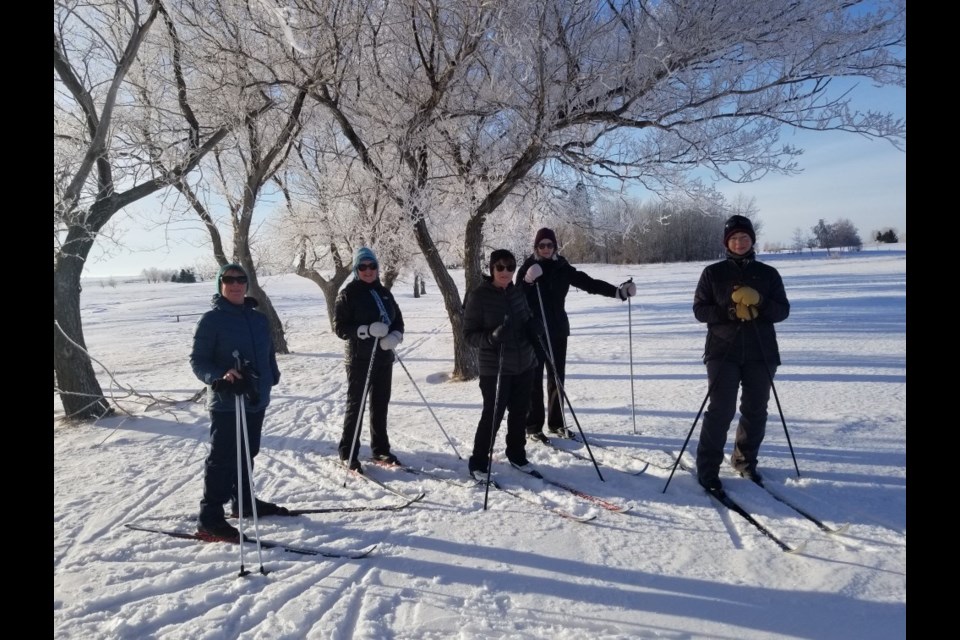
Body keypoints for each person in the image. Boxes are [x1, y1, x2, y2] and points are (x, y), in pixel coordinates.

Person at [692, 215, 790, 495]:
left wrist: (759, 302)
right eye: (734, 238)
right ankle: (708, 468)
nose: (739, 242)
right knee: (721, 410)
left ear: (751, 240)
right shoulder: (713, 273)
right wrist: (730, 312)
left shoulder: (768, 274)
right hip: (723, 351)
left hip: (761, 351)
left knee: (755, 410)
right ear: (727, 242)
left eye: (744, 237)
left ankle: (745, 461)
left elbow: (783, 310)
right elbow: (700, 310)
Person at [190, 263, 286, 541]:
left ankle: (243, 502)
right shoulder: (211, 320)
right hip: (227, 401)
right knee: (222, 458)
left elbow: (268, 352)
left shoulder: (258, 319)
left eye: (240, 279)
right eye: (229, 280)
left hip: (256, 398)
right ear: (220, 284)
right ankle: (210, 518)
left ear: (246, 284)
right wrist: (219, 375)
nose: (235, 284)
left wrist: (272, 375)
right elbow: (198, 361)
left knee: (248, 452)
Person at [515, 227, 636, 443]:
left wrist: (618, 292)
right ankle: (533, 426)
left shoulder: (562, 267)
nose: (545, 249)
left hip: (558, 329)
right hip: (534, 330)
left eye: (549, 245)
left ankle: (557, 423)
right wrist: (527, 282)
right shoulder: (528, 267)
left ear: (555, 247)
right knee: (534, 379)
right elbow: (516, 297)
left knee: (557, 377)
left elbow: (588, 283)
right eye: (541, 245)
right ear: (536, 247)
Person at [463, 249, 545, 479]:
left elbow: (527, 317)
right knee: (493, 415)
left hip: (524, 363)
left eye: (510, 267)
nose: (506, 272)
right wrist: (492, 337)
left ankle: (517, 454)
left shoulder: (517, 292)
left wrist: (533, 326)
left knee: (520, 412)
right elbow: (468, 335)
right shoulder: (478, 296)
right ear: (492, 268)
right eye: (500, 267)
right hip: (495, 367)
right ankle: (478, 462)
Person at [333, 247, 405, 473]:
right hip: (359, 358)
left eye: (372, 266)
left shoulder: (384, 292)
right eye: (362, 266)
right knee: (357, 405)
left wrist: (395, 336)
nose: (368, 270)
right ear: (356, 269)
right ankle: (348, 452)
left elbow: (398, 320)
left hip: (383, 357)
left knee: (380, 404)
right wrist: (365, 330)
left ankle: (380, 448)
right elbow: (340, 327)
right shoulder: (348, 293)